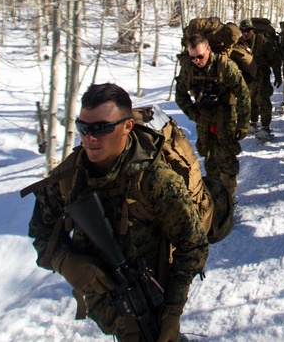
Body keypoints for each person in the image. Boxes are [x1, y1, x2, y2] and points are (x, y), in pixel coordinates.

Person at [27, 83, 209, 342]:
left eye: (101, 128)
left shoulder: (156, 180)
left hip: (154, 300)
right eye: (83, 128)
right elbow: (41, 233)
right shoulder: (68, 178)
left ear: (127, 127)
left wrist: (171, 313)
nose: (90, 137)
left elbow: (193, 245)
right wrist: (66, 263)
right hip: (107, 308)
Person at [175, 33, 250, 203]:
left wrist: (243, 124)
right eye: (192, 57)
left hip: (226, 118)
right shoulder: (188, 68)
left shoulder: (225, 66)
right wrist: (194, 115)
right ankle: (216, 198)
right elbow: (180, 95)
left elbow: (243, 94)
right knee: (209, 158)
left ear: (209, 49)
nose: (197, 61)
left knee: (227, 159)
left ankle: (229, 201)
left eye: (200, 56)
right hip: (203, 120)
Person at [238, 19, 282, 140]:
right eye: (243, 31)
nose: (245, 33)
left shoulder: (262, 40)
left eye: (247, 30)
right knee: (250, 99)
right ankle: (253, 122)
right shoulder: (239, 43)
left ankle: (265, 126)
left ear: (253, 30)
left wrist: (278, 75)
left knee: (263, 100)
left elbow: (274, 58)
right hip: (248, 77)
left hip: (262, 75)